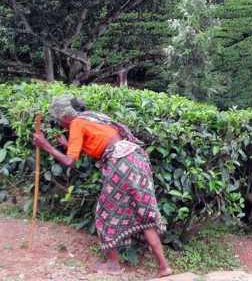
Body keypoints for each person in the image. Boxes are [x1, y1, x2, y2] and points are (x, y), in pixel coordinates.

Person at [32, 95, 172, 278]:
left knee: (105, 213)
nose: (60, 124)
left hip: (121, 162)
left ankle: (113, 264)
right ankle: (164, 267)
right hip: (136, 158)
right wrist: (67, 145)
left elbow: (69, 162)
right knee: (144, 212)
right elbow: (98, 142)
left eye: (59, 120)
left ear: (66, 116)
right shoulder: (92, 116)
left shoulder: (76, 124)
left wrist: (46, 146)